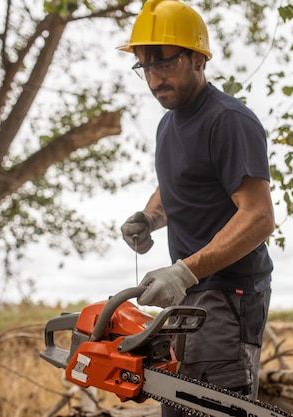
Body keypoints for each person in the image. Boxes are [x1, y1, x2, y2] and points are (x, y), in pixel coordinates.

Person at [118, 0, 275, 414]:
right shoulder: (169, 124)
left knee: (211, 408)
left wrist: (184, 271)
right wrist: (150, 218)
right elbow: (177, 182)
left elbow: (258, 216)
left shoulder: (228, 120)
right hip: (187, 296)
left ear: (198, 59)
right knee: (178, 406)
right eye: (145, 68)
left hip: (227, 296)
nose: (154, 79)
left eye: (164, 64)